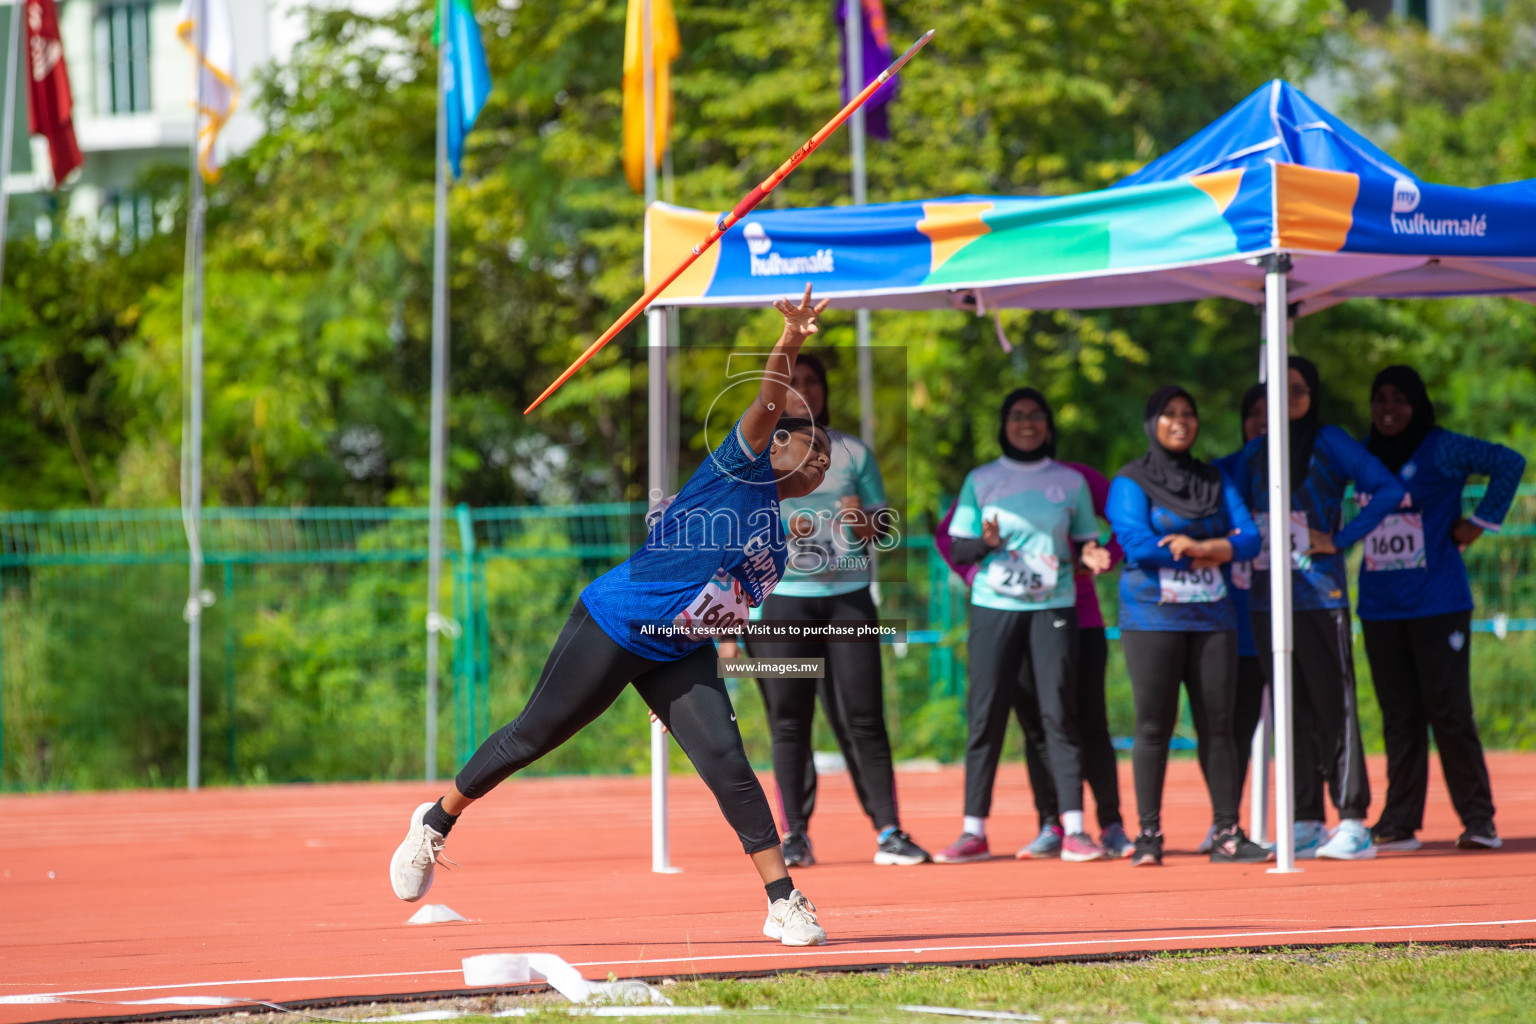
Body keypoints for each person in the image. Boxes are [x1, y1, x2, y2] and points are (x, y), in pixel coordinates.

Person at [388, 285, 835, 946]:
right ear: (774, 446)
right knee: (531, 736)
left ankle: (783, 899)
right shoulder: (737, 466)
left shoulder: (780, 540)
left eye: (827, 454)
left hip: (678, 651)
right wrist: (790, 340)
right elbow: (771, 394)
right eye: (806, 442)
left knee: (728, 763)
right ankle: (435, 819)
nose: (819, 455)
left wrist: (696, 674)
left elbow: (728, 603)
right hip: (616, 621)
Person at [725, 352, 931, 868]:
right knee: (789, 721)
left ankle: (890, 831)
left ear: (824, 390)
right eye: (792, 382)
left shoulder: (853, 452)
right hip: (779, 602)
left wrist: (865, 522)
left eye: (812, 382)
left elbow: (885, 530)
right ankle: (794, 835)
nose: (804, 391)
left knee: (865, 716)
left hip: (848, 601)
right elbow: (731, 529)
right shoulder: (756, 452)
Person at [1229, 356, 1404, 861]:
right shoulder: (1256, 451)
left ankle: (1352, 820)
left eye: (1298, 390)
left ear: (1312, 393)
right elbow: (1238, 510)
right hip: (1266, 599)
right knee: (1289, 708)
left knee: (1334, 704)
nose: (1288, 400)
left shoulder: (1329, 442)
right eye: (1278, 391)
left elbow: (1390, 489)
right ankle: (1305, 818)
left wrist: (1341, 538)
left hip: (1318, 595)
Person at [937, 388, 1112, 863]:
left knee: (1059, 713)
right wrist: (986, 543)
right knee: (986, 715)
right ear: (1004, 424)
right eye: (1017, 416)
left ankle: (1074, 829)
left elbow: (1085, 544)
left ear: (1048, 425)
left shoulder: (1070, 482)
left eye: (1036, 415)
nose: (1027, 423)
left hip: (1054, 608)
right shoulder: (982, 479)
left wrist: (1093, 554)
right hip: (995, 607)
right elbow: (960, 551)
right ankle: (974, 830)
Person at [1357, 365, 1525, 852]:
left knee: (1448, 710)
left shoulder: (1444, 447)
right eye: (1379, 398)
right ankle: (1399, 822)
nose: (1388, 408)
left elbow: (1509, 462)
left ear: (1418, 404)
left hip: (1438, 602)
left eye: (1399, 399)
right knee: (1398, 714)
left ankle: (1478, 820)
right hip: (1380, 606)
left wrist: (1480, 523)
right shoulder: (1361, 453)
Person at [1107, 385, 1268, 866]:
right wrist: (1216, 545)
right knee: (1153, 726)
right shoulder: (1130, 481)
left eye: (1188, 413)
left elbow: (1251, 537)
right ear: (1151, 422)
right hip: (1151, 617)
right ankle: (1149, 836)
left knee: (1218, 726)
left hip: (1212, 616)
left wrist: (1197, 547)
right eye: (1168, 413)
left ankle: (1226, 833)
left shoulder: (1215, 480)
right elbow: (1136, 544)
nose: (1180, 421)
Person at [1203, 383, 1268, 854]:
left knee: (1303, 725)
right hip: (1238, 628)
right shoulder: (1222, 475)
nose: (1264, 422)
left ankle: (1309, 818)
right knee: (1231, 730)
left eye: (1275, 413)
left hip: (1297, 618)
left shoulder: (1307, 471)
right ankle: (1224, 820)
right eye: (1255, 415)